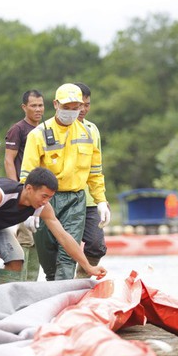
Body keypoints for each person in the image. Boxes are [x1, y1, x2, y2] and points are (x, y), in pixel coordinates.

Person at [0, 167, 108, 297]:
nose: (46, 201)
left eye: (50, 197)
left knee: (16, 258)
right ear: (28, 188)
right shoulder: (0, 194)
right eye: (44, 196)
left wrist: (88, 267)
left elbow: (63, 237)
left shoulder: (43, 207)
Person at [20, 83, 111, 281]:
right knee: (48, 256)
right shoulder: (38, 135)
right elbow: (28, 174)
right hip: (45, 200)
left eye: (75, 108)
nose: (71, 112)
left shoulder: (87, 134)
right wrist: (29, 208)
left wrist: (101, 200)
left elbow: (95, 172)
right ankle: (55, 289)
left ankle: (66, 298)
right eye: (66, 108)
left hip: (75, 200)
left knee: (67, 255)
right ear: (56, 104)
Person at [4, 90, 45, 281]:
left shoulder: (46, 128)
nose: (38, 109)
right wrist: (17, 189)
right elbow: (8, 160)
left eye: (40, 105)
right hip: (25, 192)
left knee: (38, 240)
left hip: (43, 194)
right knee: (25, 239)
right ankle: (19, 284)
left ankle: (32, 283)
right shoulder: (18, 130)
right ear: (24, 107)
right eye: (33, 105)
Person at [72, 82, 108, 278]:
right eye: (80, 105)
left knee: (96, 244)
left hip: (90, 198)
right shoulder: (55, 129)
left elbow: (97, 168)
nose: (83, 109)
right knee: (65, 247)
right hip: (66, 197)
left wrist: (101, 199)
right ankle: (61, 286)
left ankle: (82, 279)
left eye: (87, 104)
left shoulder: (92, 129)